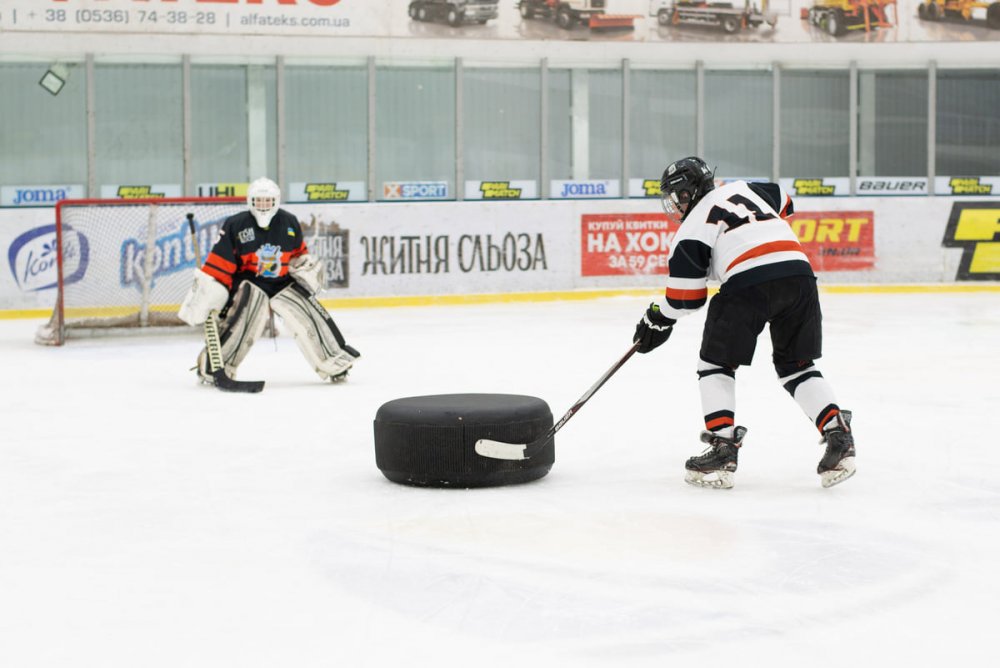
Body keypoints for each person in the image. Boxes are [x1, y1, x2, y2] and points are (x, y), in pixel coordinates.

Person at [632, 157, 855, 489]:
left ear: (689, 192)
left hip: (748, 285)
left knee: (715, 365)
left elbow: (685, 299)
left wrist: (656, 318)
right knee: (797, 366)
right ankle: (839, 437)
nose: (675, 205)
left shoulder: (691, 229)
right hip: (799, 274)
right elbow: (786, 202)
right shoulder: (750, 189)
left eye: (677, 197)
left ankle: (723, 447)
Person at [178, 177, 360, 384]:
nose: (263, 205)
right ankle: (213, 367)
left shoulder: (289, 222)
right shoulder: (236, 224)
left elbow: (298, 254)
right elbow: (221, 262)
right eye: (258, 200)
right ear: (250, 201)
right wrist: (211, 290)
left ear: (276, 201)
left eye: (268, 201)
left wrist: (303, 266)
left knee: (308, 313)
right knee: (243, 322)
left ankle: (334, 361)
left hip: (282, 281)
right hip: (249, 282)